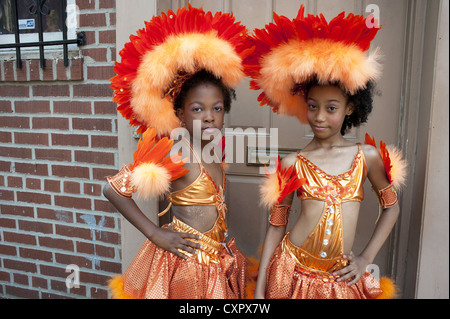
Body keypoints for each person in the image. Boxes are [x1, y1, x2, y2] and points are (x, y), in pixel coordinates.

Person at [244, 5, 407, 299]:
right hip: (290, 272)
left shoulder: (367, 157)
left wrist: (365, 258)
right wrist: (260, 289)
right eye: (313, 106)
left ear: (350, 108)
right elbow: (276, 226)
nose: (319, 116)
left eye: (331, 108)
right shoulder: (292, 163)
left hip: (338, 278)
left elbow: (392, 207)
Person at [103, 5, 251, 299]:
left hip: (214, 260)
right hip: (187, 265)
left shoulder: (214, 152)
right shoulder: (175, 150)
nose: (209, 117)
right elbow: (113, 190)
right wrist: (156, 233)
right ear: (181, 115)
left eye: (217, 109)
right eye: (198, 109)